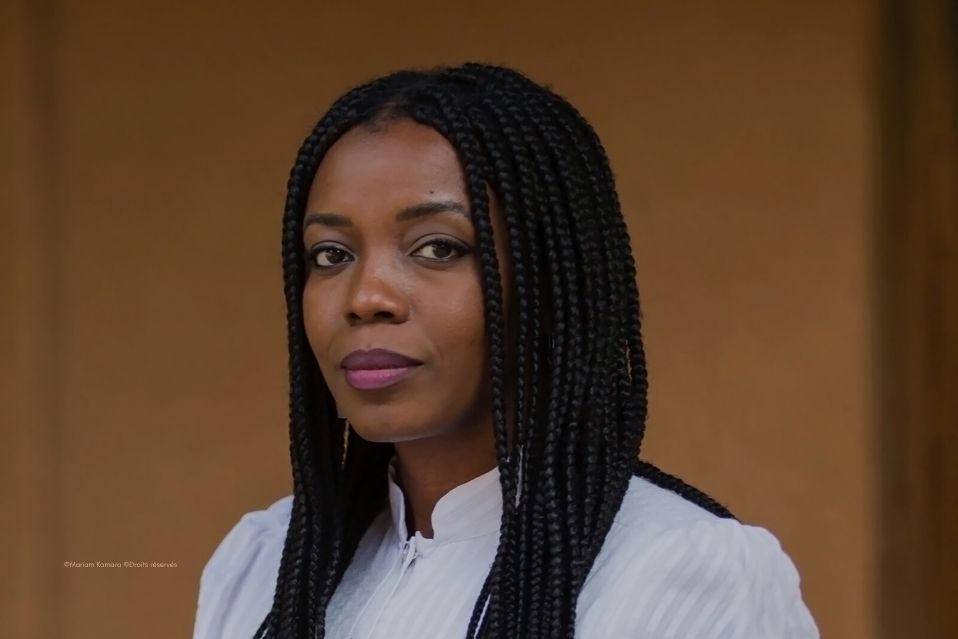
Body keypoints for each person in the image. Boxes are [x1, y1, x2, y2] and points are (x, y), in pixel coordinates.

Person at [192, 63, 819, 639]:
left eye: (438, 248)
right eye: (331, 255)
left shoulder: (683, 579)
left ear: (549, 282)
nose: (365, 297)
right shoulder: (264, 566)